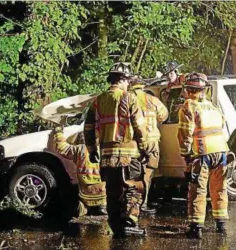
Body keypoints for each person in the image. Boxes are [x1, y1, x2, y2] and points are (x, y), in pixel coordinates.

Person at [83, 62, 150, 237]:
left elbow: (88, 128)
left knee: (112, 192)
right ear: (122, 80)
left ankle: (116, 226)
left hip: (107, 157)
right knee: (134, 188)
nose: (128, 84)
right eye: (127, 80)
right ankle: (130, 223)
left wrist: (91, 149)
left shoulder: (98, 101)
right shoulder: (129, 98)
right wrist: (145, 148)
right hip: (129, 156)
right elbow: (140, 127)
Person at [177, 73, 230, 239]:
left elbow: (185, 134)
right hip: (221, 152)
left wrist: (186, 154)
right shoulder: (212, 106)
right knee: (219, 188)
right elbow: (222, 125)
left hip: (202, 154)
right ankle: (221, 223)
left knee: (197, 191)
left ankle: (196, 227)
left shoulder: (188, 106)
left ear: (189, 90)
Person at [129, 75, 169, 214]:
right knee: (147, 174)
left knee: (132, 175)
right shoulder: (152, 99)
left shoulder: (126, 98)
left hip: (132, 142)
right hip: (151, 141)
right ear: (143, 86)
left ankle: (132, 205)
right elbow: (164, 116)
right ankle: (143, 204)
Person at [53, 127, 107, 216]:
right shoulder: (103, 149)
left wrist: (58, 132)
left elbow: (62, 148)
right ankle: (102, 208)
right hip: (103, 194)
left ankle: (82, 209)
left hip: (85, 193)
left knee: (75, 202)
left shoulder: (79, 149)